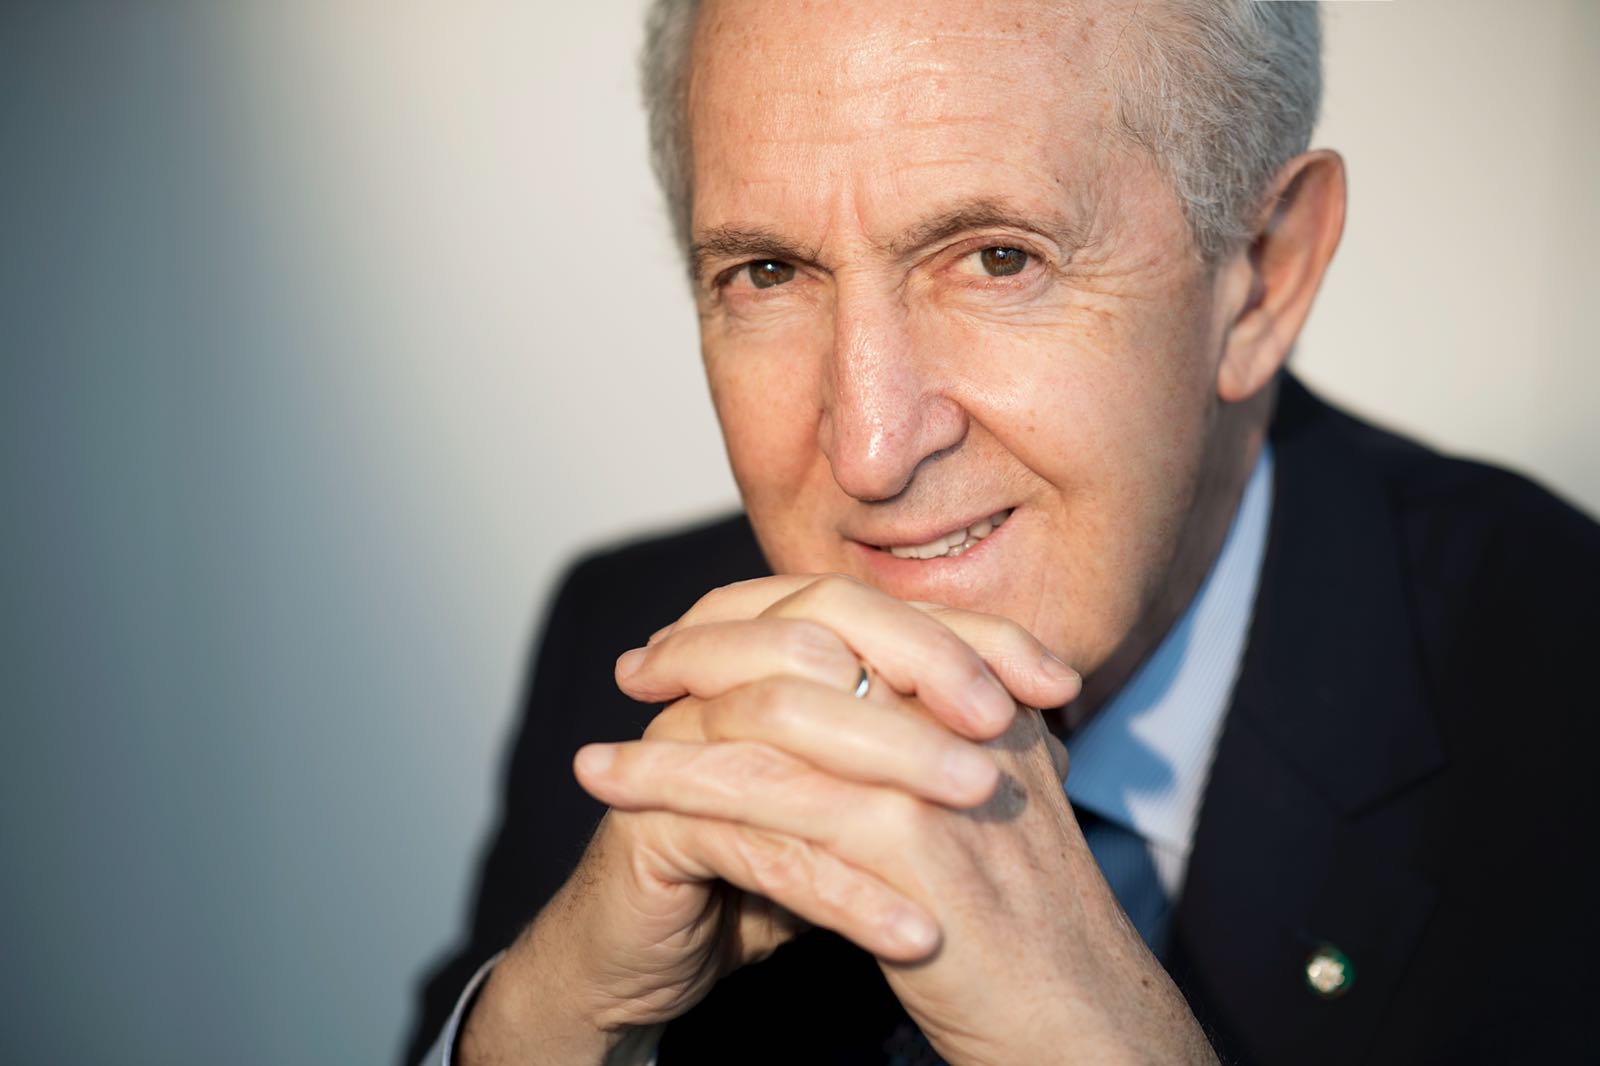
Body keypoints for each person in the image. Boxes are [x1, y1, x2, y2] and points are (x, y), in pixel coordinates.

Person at [405, 1, 1600, 1062]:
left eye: (995, 259)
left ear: (1263, 274)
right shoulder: (632, 646)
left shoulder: (1561, 690)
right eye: (768, 272)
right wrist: (540, 1027)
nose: (871, 450)